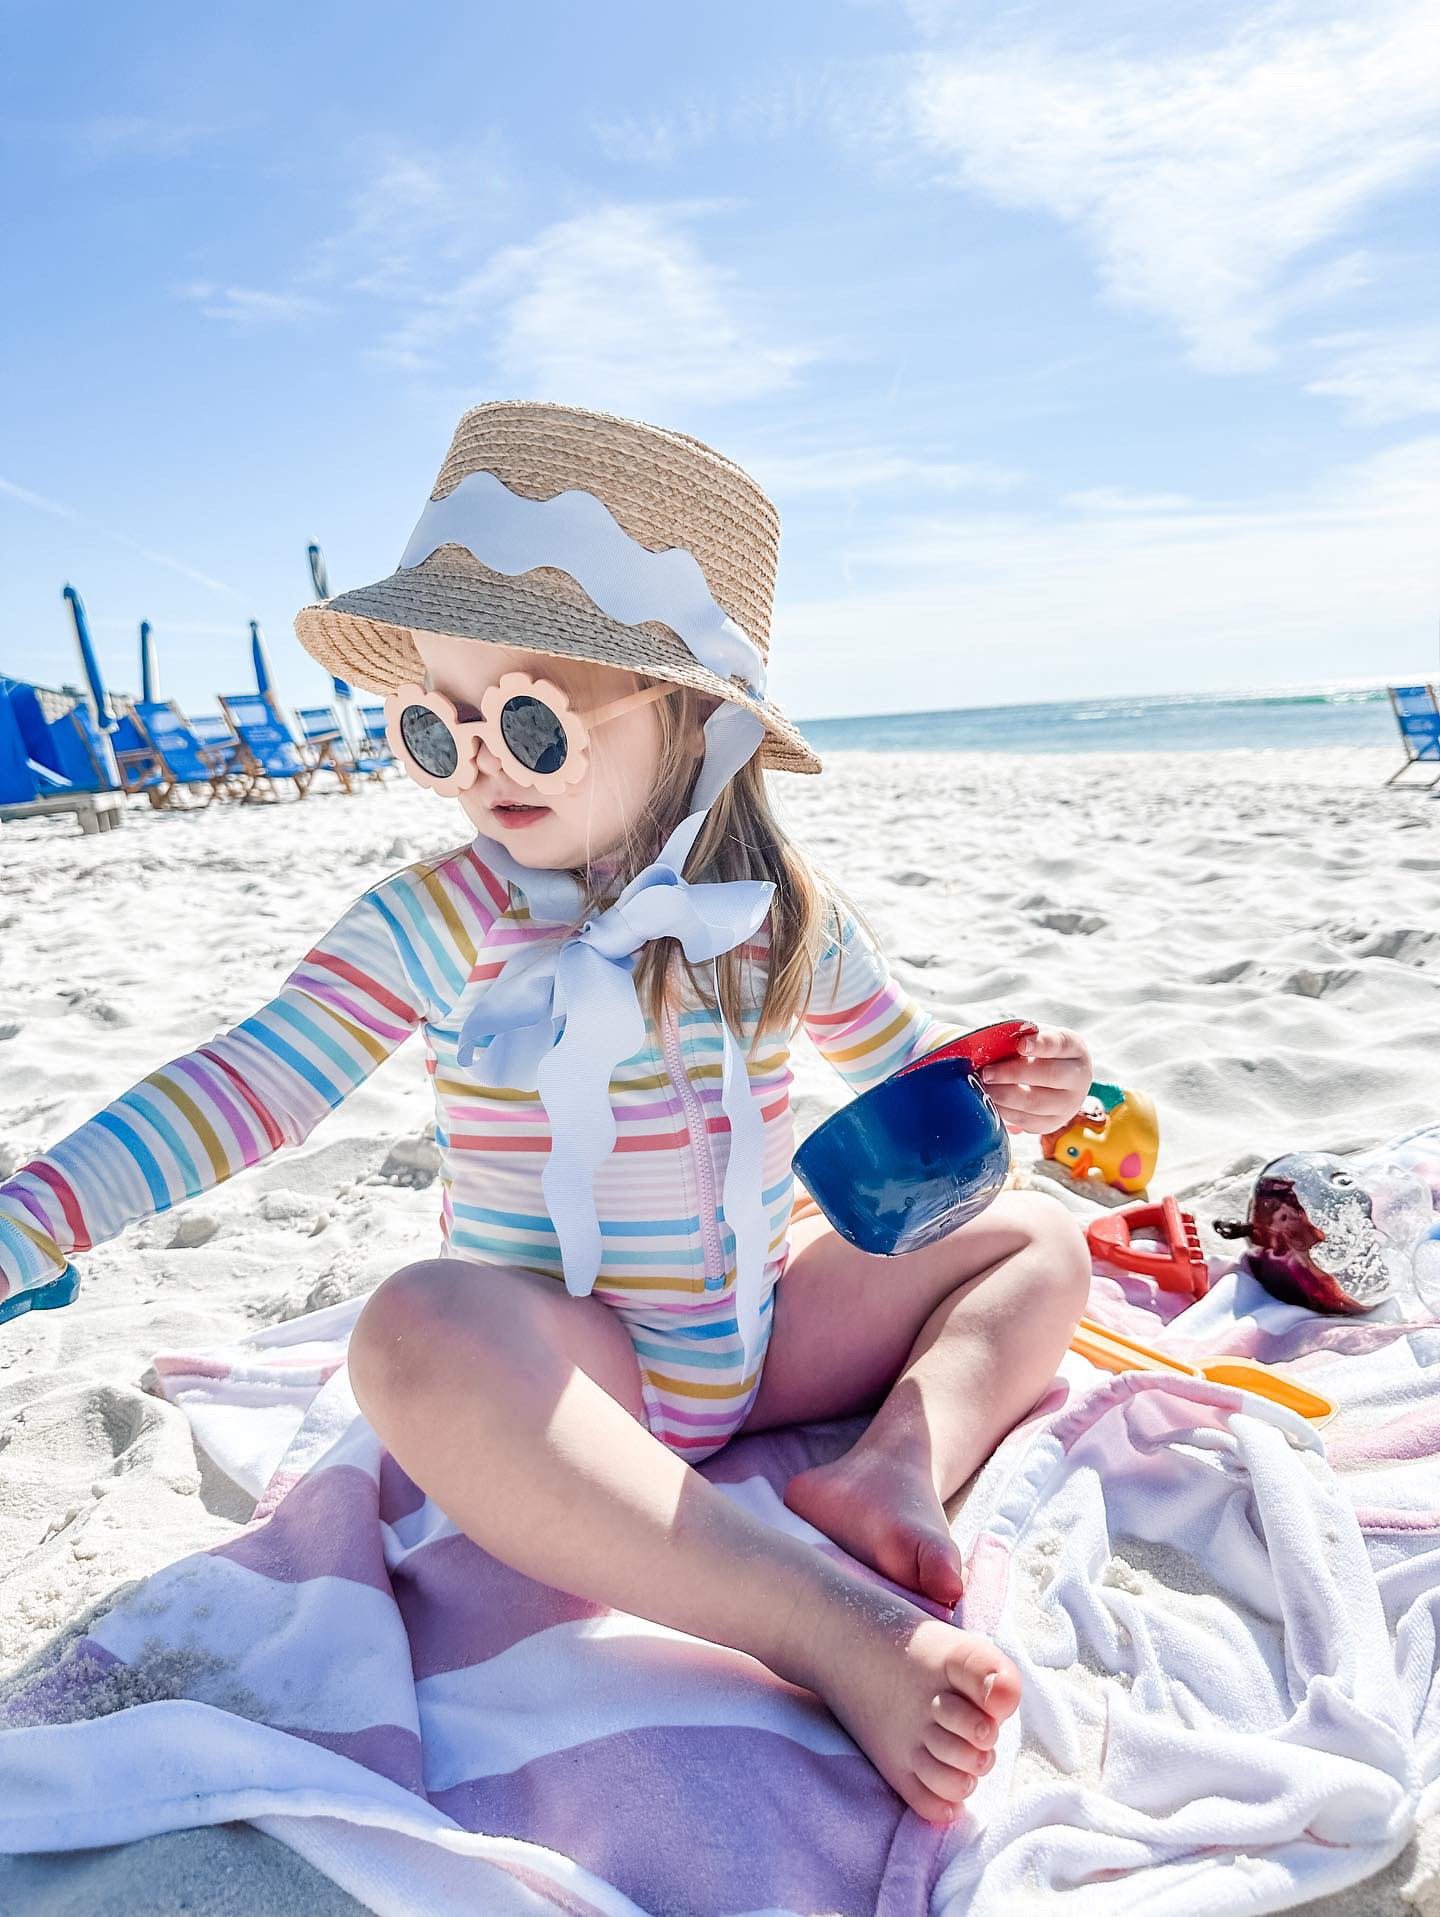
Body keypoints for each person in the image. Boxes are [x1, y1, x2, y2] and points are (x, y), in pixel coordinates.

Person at [0, 401, 1094, 1827]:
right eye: (433, 727)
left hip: (762, 1337)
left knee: (1041, 1241)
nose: (478, 766)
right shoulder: (440, 916)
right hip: (578, 1367)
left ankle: (899, 1461)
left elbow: (910, 1081)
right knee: (413, 1330)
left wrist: (1012, 1081)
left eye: (524, 720)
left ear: (692, 716)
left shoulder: (776, 914)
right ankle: (813, 1616)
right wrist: (32, 1220)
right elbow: (248, 1081)